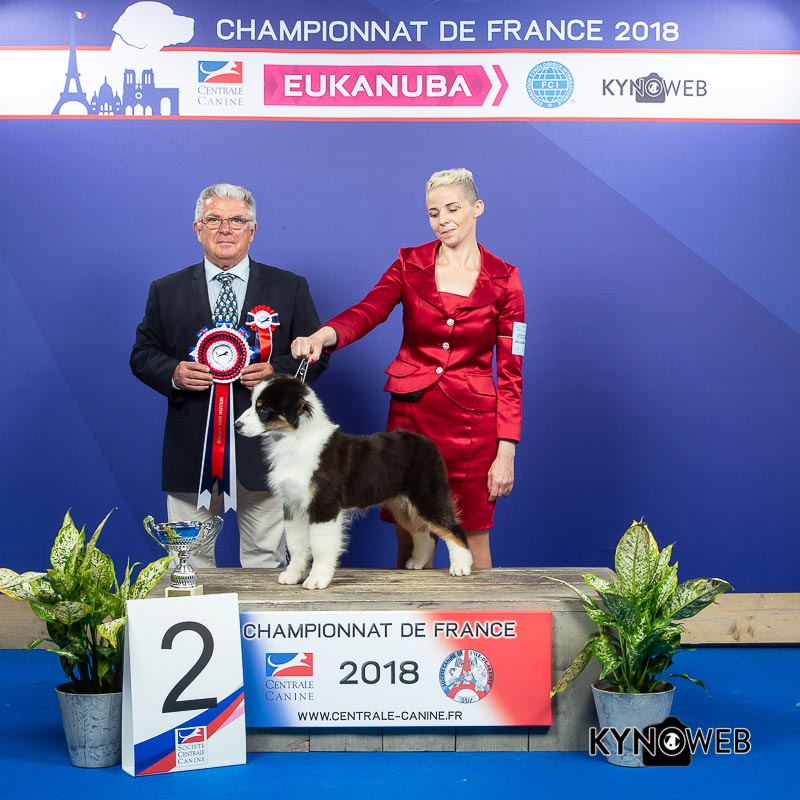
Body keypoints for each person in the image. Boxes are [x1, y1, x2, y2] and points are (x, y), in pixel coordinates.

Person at [291, 168, 524, 569]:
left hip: (473, 430)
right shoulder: (407, 263)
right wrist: (323, 336)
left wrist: (506, 452)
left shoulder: (506, 279)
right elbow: (368, 310)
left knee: (471, 540)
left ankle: (479, 611)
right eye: (433, 212)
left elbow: (511, 374)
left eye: (452, 208)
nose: (442, 220)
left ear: (477, 208)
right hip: (411, 417)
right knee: (411, 538)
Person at [130, 183, 328, 568]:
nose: (225, 229)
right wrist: (174, 372)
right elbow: (141, 355)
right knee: (187, 562)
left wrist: (276, 374)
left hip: (267, 449)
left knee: (266, 561)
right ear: (197, 229)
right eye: (213, 219)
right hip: (191, 452)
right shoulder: (165, 290)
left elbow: (316, 356)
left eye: (237, 220)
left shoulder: (289, 287)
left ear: (252, 231)